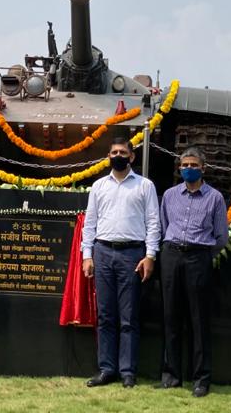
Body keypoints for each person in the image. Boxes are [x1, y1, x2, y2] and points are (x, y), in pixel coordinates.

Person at [81, 138, 161, 389]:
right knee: (105, 316)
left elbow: (153, 222)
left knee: (128, 317)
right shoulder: (98, 186)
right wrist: (87, 255)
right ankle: (107, 369)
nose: (118, 155)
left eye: (123, 152)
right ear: (108, 156)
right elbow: (90, 223)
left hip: (132, 255)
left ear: (132, 157)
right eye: (114, 152)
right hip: (103, 251)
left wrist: (150, 255)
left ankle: (127, 372)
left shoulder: (145, 186)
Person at [157, 147, 228, 398]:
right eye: (185, 164)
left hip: (199, 257)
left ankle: (201, 378)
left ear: (203, 168)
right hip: (171, 255)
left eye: (194, 165)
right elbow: (164, 226)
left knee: (198, 320)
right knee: (170, 316)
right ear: (179, 168)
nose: (189, 168)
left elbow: (221, 237)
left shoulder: (215, 198)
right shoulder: (169, 195)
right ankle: (171, 375)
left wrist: (202, 255)